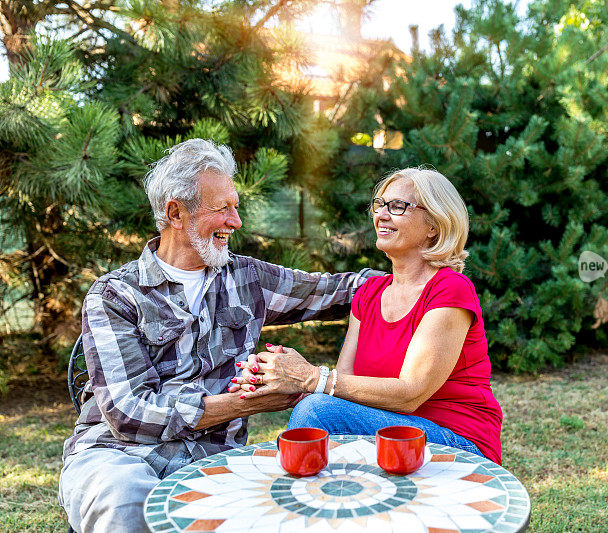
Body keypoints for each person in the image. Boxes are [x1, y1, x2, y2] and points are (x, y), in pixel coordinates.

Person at [58, 139, 380, 532]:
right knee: (125, 499)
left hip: (215, 457)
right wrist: (244, 404)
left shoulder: (249, 278)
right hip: (119, 455)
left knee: (294, 509)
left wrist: (424, 275)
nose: (236, 221)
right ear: (175, 212)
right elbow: (129, 414)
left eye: (236, 206)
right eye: (222, 208)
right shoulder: (115, 295)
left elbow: (343, 289)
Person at [234, 167, 503, 463]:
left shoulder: (449, 288)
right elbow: (341, 385)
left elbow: (411, 395)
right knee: (317, 405)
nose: (381, 215)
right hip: (393, 433)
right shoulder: (370, 293)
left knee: (317, 411)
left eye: (398, 206)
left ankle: (296, 500)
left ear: (434, 225)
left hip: (458, 441)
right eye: (379, 204)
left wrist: (311, 377)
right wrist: (282, 374)